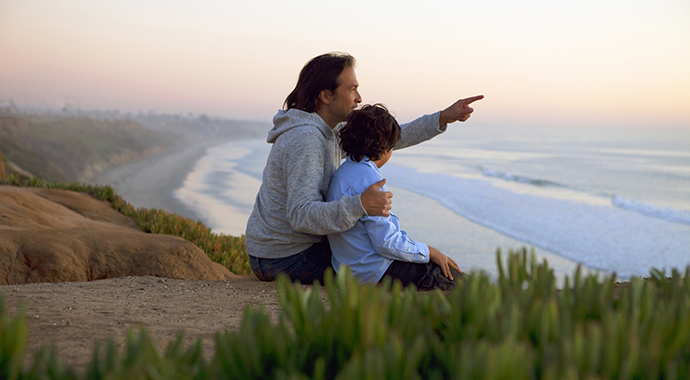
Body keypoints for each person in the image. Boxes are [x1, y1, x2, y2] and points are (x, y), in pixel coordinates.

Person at [245, 52, 483, 284]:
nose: (359, 98)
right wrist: (360, 204)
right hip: (286, 257)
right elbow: (301, 216)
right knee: (383, 261)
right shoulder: (306, 139)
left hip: (283, 249)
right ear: (326, 95)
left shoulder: (327, 131)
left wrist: (442, 118)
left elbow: (382, 139)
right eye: (352, 89)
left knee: (378, 249)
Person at [327, 104, 462, 290]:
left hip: (348, 270)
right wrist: (429, 251)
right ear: (385, 149)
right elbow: (386, 243)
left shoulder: (342, 173)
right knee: (462, 283)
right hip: (375, 272)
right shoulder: (371, 180)